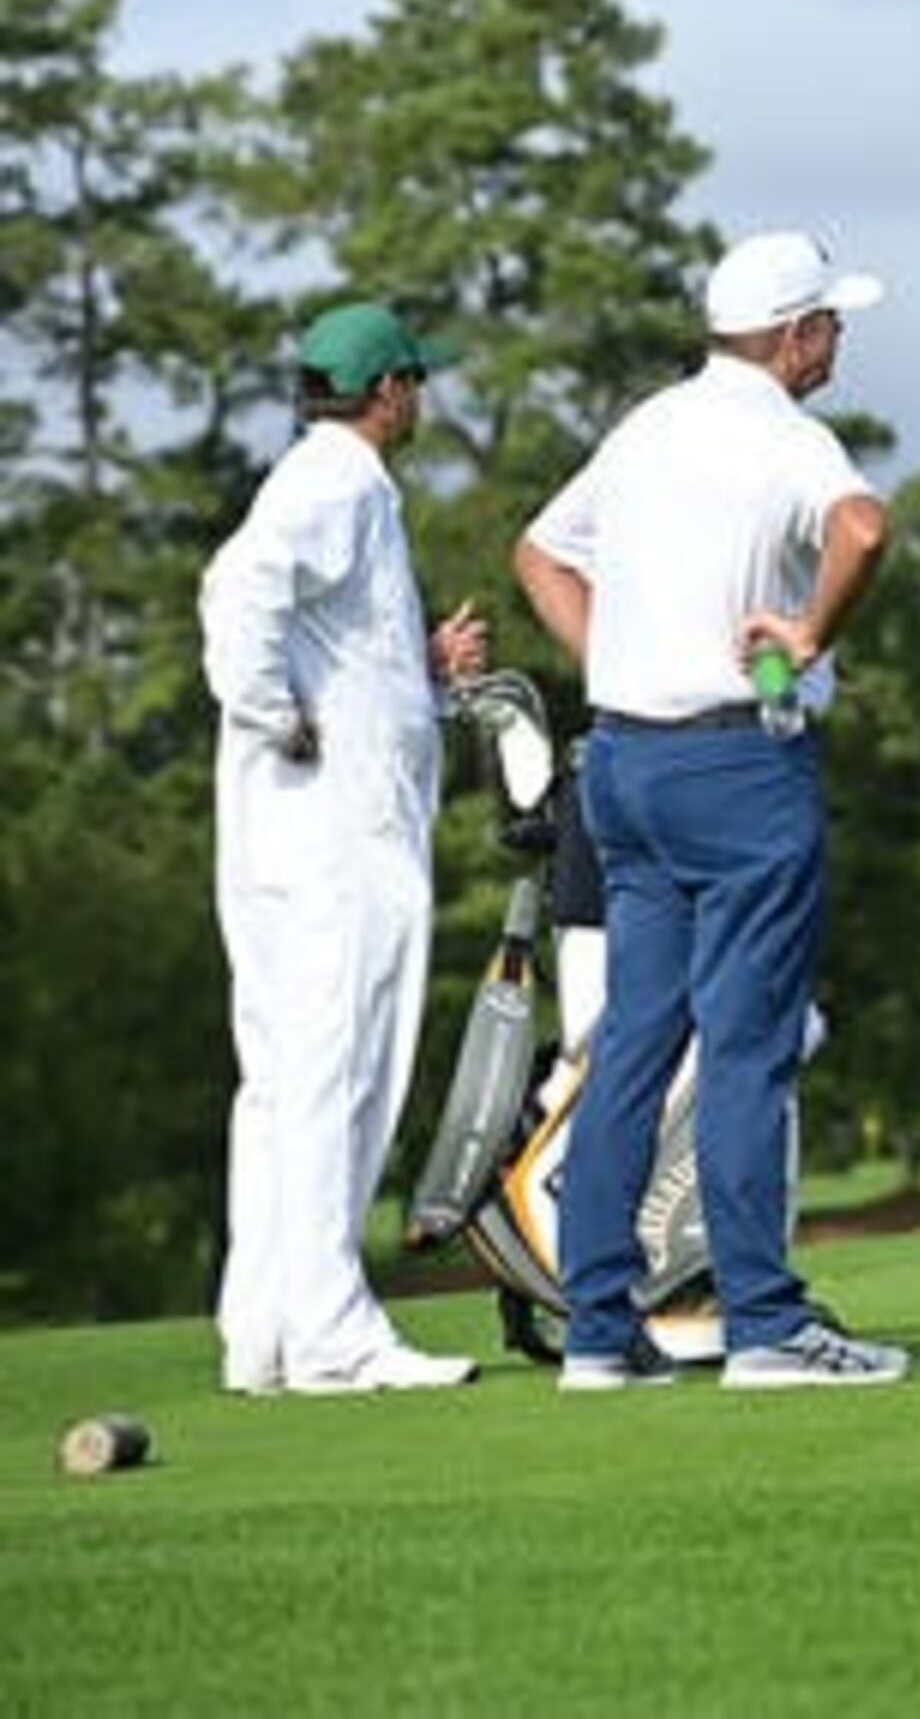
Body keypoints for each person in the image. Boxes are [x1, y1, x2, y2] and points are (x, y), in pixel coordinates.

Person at [512, 229, 907, 1392]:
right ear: (794, 335)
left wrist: (618, 662)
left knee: (635, 1040)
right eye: (830, 324)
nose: (838, 341)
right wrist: (810, 633)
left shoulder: (647, 426)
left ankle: (598, 1332)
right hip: (736, 767)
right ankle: (767, 1326)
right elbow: (865, 529)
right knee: (746, 1042)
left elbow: (539, 555)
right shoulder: (789, 436)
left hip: (623, 765)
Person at [199, 299, 496, 1395]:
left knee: (286, 1081)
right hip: (334, 837)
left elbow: (343, 654)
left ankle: (268, 1331)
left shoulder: (328, 483)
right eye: (416, 381)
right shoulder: (341, 482)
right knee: (343, 1070)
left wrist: (424, 671)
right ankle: (332, 1333)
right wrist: (272, 711)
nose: (422, 399)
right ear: (387, 392)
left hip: (294, 833)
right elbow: (240, 591)